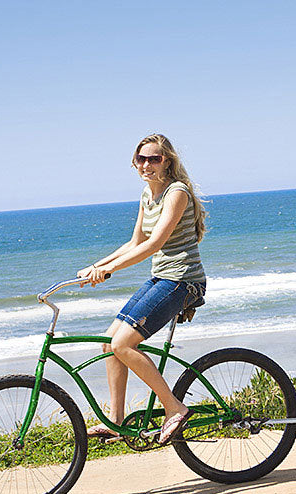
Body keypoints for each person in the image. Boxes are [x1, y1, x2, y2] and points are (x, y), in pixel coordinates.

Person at [76, 134, 207, 445]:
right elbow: (135, 242)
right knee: (109, 343)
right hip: (162, 277)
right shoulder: (147, 195)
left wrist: (108, 270)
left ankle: (174, 408)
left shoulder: (177, 192)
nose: (147, 164)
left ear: (168, 161)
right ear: (135, 163)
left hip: (182, 280)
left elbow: (154, 244)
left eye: (154, 158)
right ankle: (116, 421)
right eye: (141, 159)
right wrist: (97, 265)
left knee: (124, 345)